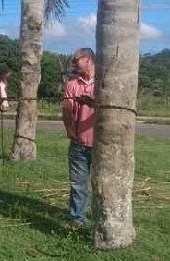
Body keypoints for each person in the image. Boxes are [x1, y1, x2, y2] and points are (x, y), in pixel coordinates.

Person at [62, 48, 96, 231]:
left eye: (77, 60)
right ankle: (77, 219)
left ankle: (100, 218)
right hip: (78, 144)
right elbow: (66, 110)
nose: (74, 64)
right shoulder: (72, 84)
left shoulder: (104, 83)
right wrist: (69, 130)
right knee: (78, 184)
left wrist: (95, 102)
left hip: (102, 146)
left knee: (102, 185)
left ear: (89, 59)